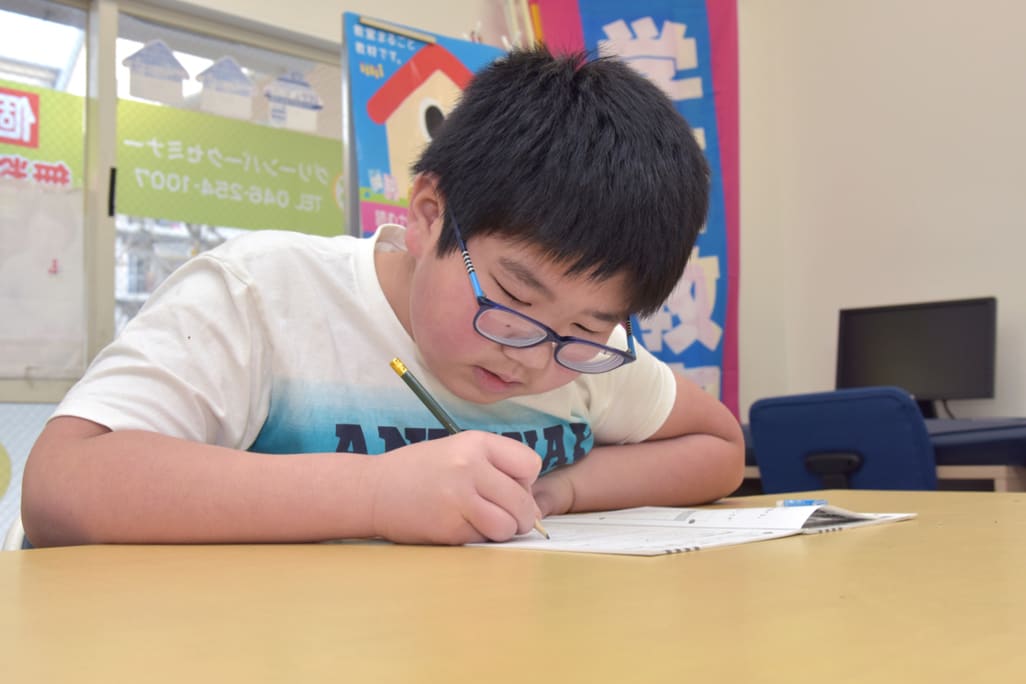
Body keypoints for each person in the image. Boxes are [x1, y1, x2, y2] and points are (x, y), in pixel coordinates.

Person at [22, 46, 744, 547]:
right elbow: (62, 483)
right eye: (512, 297)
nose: (531, 357)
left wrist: (564, 491)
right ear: (428, 215)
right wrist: (375, 493)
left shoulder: (581, 356)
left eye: (588, 325)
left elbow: (718, 446)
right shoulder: (266, 294)